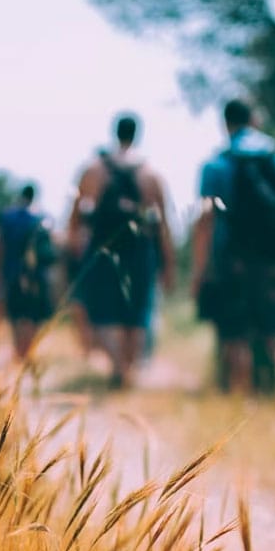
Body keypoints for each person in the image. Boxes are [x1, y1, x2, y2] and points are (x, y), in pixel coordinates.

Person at [191, 99, 275, 409]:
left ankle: (244, 402)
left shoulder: (216, 163)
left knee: (237, 332)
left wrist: (200, 268)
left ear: (226, 123)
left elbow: (206, 219)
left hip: (233, 259)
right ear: (256, 119)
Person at [68, 113, 175, 388]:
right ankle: (129, 370)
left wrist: (73, 254)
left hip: (104, 247)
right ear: (137, 134)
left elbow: (75, 217)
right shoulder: (150, 173)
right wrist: (168, 264)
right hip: (141, 249)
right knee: (136, 312)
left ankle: (117, 367)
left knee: (105, 310)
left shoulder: (94, 169)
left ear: (114, 133)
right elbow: (163, 223)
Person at [0, 184, 56, 361]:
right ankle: (28, 350)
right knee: (34, 315)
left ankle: (19, 352)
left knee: (17, 315)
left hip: (12, 273)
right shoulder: (43, 217)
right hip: (38, 276)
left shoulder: (7, 217)